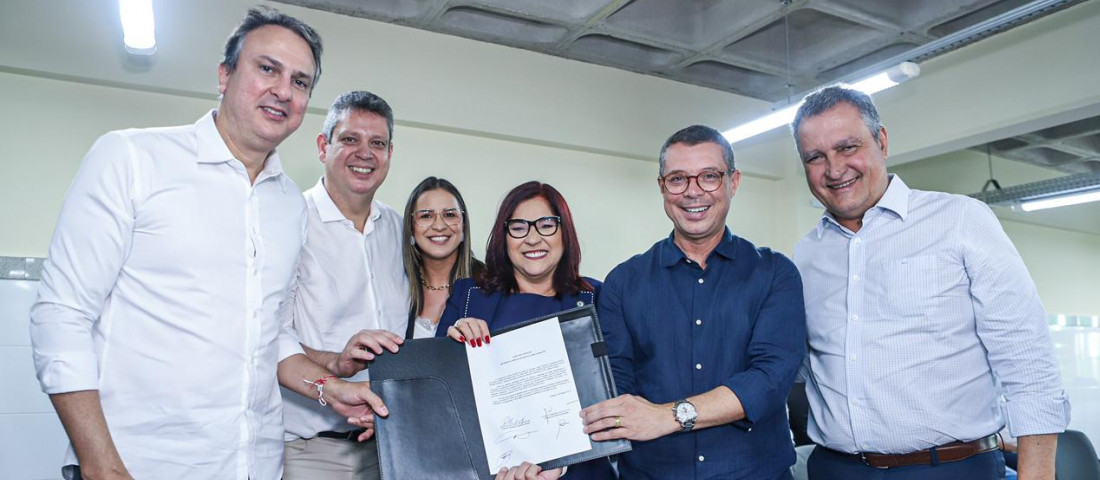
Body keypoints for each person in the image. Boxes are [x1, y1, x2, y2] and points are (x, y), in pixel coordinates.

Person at [29, 8, 385, 480]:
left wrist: (329, 388)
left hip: (255, 466)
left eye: (300, 82)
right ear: (224, 74)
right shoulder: (132, 158)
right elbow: (61, 314)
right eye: (267, 68)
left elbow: (271, 335)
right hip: (137, 465)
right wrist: (100, 465)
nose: (283, 90)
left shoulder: (289, 207)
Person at [789, 86, 1070, 480]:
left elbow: (1028, 360)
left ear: (881, 141)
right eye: (815, 157)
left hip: (952, 468)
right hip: (836, 469)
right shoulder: (804, 256)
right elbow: (797, 367)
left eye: (848, 147)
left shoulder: (960, 220)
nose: (834, 170)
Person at [580, 125, 807, 479]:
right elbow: (613, 388)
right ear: (661, 187)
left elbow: (769, 379)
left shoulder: (775, 274)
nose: (693, 192)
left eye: (709, 177)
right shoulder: (623, 283)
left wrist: (667, 416)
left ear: (733, 182)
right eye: (678, 179)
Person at [440, 181, 615, 480]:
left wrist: (563, 460)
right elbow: (440, 401)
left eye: (546, 225)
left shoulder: (599, 298)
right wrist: (450, 348)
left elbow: (617, 390)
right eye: (519, 227)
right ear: (504, 237)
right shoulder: (468, 296)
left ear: (565, 233)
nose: (532, 238)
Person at [280, 91, 409, 480]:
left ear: (389, 153)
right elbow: (268, 336)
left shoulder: (400, 229)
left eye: (378, 143)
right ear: (324, 146)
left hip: (392, 443)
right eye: (350, 139)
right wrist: (336, 365)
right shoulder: (289, 222)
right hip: (313, 450)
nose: (364, 153)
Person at [403, 176, 485, 339]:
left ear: (463, 226)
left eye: (449, 215)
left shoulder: (490, 285)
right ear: (411, 228)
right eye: (426, 216)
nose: (439, 226)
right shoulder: (397, 283)